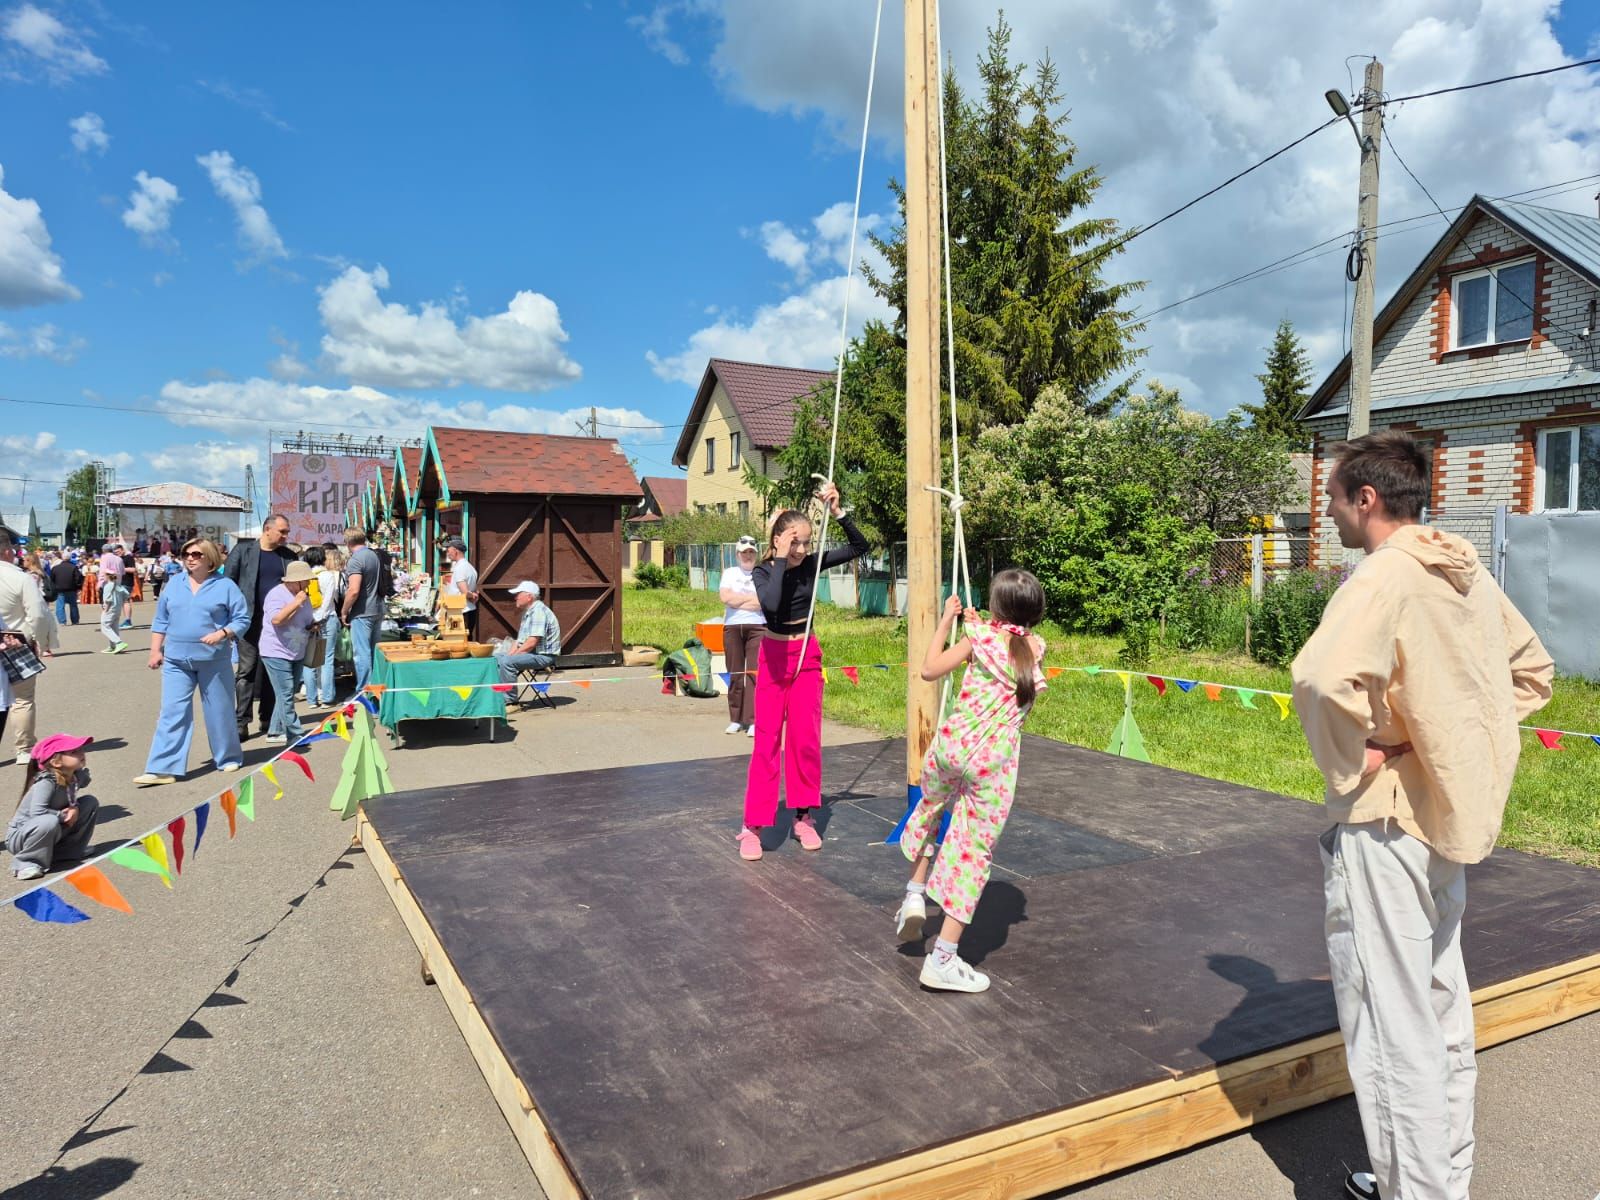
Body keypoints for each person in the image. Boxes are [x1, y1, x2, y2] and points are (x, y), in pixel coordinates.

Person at [1290, 432, 1554, 1200]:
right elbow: (1530, 673)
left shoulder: (1383, 579)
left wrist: (1364, 755)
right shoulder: (1462, 571)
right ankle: (1439, 1179)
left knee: (1390, 1022)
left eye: (1334, 496)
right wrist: (1441, 740)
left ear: (1365, 500)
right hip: (1444, 820)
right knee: (1439, 1007)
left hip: (1385, 825)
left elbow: (1319, 678)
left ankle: (1421, 1192)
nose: (1330, 510)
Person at [893, 573, 1048, 993]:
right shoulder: (1035, 649)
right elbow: (1012, 648)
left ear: (995, 609)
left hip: (952, 747)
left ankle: (914, 892)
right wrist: (988, 626)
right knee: (972, 850)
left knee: (929, 810)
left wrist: (948, 620)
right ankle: (943, 957)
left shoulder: (977, 638)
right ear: (1035, 612)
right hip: (991, 765)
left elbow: (929, 670)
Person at [738, 483, 871, 862]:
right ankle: (753, 826)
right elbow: (773, 604)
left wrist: (839, 512)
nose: (802, 551)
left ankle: (803, 816)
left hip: (806, 654)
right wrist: (780, 559)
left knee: (805, 739)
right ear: (778, 540)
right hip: (775, 655)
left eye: (806, 544)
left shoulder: (812, 563)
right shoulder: (764, 572)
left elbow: (861, 548)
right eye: (794, 543)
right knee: (766, 743)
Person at [134, 539, 250, 787]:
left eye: (196, 554)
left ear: (209, 558)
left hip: (214, 659)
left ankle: (228, 756)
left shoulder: (225, 586)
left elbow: (242, 618)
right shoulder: (174, 584)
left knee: (219, 711)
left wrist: (223, 633)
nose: (190, 558)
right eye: (186, 553)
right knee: (172, 712)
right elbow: (161, 620)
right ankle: (163, 767)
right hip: (177, 659)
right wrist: (155, 650)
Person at [223, 515, 297, 741]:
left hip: (278, 624)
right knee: (246, 671)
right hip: (249, 622)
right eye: (282, 532)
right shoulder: (243, 551)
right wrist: (228, 621)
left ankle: (269, 718)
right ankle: (241, 722)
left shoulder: (289, 556)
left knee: (271, 671)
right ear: (267, 529)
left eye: (287, 532)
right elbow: (228, 583)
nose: (285, 536)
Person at [6, 733, 98, 880]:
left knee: (90, 803)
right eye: (74, 752)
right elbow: (38, 813)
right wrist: (65, 815)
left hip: (51, 827)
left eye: (81, 749)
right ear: (56, 762)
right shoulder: (46, 782)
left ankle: (68, 851)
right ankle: (26, 863)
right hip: (23, 837)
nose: (82, 753)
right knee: (48, 820)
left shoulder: (75, 775)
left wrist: (75, 808)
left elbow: (80, 786)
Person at [0, 530, 47, 763]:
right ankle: (23, 749)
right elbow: (37, 614)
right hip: (17, 642)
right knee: (23, 699)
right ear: (8, 551)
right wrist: (35, 639)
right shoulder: (21, 578)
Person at [258, 561, 316, 746]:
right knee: (285, 693)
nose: (308, 584)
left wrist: (313, 625)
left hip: (296, 650)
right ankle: (295, 734)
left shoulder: (303, 595)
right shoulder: (277, 594)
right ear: (295, 581)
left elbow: (305, 618)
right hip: (275, 650)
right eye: (305, 580)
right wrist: (296, 602)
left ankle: (275, 732)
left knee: (287, 692)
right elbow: (277, 620)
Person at [718, 534, 765, 736]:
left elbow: (763, 601)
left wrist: (740, 600)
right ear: (737, 554)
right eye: (744, 552)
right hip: (733, 627)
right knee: (735, 674)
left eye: (751, 553)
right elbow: (726, 598)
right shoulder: (729, 573)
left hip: (758, 627)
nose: (748, 556)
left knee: (755, 674)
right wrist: (749, 599)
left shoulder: (763, 573)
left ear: (756, 554)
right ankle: (736, 718)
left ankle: (753, 720)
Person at [339, 528, 384, 699]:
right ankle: (374, 690)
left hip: (362, 611)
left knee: (362, 653)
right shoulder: (374, 555)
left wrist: (344, 611)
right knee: (373, 652)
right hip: (377, 608)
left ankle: (363, 692)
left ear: (347, 541)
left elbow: (353, 590)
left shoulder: (356, 559)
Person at [495, 581, 561, 685]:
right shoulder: (529, 611)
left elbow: (531, 642)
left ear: (529, 597)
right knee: (494, 658)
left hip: (543, 656)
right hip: (532, 653)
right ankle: (493, 693)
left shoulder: (538, 612)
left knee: (506, 662)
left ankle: (508, 700)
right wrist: (510, 653)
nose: (515, 597)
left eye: (518, 594)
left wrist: (512, 656)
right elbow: (520, 640)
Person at [301, 546, 342, 706]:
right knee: (327, 660)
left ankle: (311, 700)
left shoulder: (304, 576)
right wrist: (321, 617)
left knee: (310, 660)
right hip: (327, 619)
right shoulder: (327, 576)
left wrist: (312, 619)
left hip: (308, 621)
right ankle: (327, 698)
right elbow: (328, 600)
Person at [441, 537, 479, 639]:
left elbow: (465, 592)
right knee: (466, 639)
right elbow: (474, 590)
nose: (448, 554)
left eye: (449, 551)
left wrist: (472, 595)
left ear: (456, 551)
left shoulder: (460, 568)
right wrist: (474, 595)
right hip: (469, 609)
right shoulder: (470, 567)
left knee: (457, 641)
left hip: (460, 611)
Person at [97, 543, 130, 655]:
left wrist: (100, 584)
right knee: (114, 622)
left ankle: (118, 642)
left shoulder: (104, 558)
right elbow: (123, 572)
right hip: (118, 588)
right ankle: (113, 645)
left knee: (105, 623)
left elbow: (102, 573)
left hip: (109, 588)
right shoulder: (119, 559)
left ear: (103, 550)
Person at [49, 552, 82, 627]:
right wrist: (78, 587)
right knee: (73, 605)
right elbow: (78, 579)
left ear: (62, 558)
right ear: (70, 558)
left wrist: (53, 588)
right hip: (71, 589)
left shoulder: (55, 568)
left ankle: (62, 621)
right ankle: (75, 620)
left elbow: (52, 579)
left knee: (60, 606)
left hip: (59, 589)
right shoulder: (74, 567)